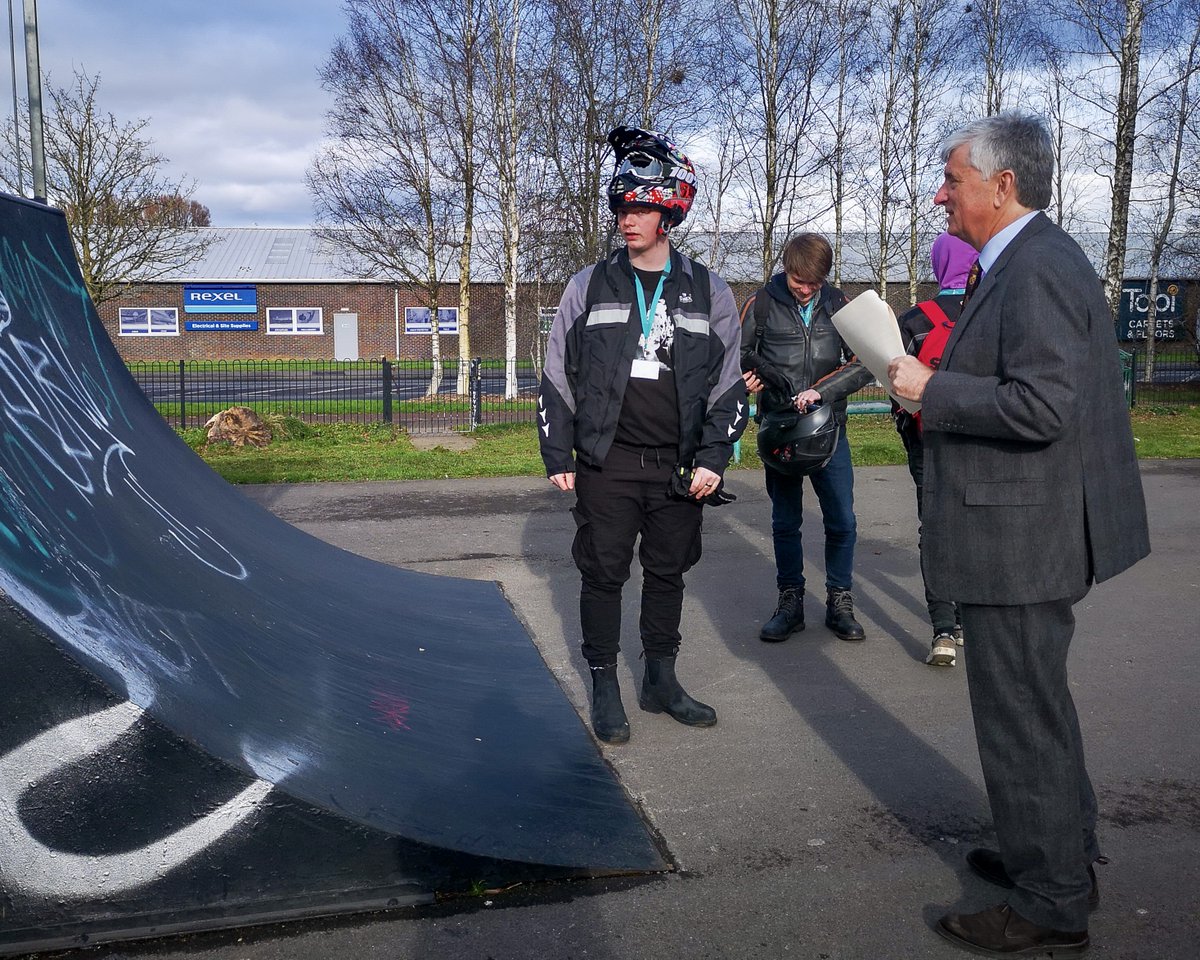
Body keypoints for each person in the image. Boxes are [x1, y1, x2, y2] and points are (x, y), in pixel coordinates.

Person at [888, 114, 1150, 957]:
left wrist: (934, 390)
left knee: (1019, 721)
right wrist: (939, 387)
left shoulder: (1033, 266)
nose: (941, 193)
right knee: (1039, 706)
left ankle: (1050, 903)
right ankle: (1061, 859)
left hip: (1020, 536)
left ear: (1002, 185)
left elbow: (1041, 406)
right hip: (1028, 525)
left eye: (953, 178)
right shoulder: (1033, 258)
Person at [537, 126, 748, 745]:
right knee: (603, 574)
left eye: (642, 207)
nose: (629, 219)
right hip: (607, 462)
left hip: (679, 467)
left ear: (670, 209)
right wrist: (559, 449)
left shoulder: (709, 289)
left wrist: (714, 455)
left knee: (668, 572)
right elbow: (556, 372)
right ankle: (605, 683)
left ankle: (660, 679)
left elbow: (728, 382)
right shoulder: (588, 284)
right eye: (623, 206)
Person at [740, 233, 874, 643]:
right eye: (800, 281)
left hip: (829, 430)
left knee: (842, 521)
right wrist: (746, 380)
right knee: (785, 522)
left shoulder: (839, 304)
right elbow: (737, 354)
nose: (806, 289)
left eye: (814, 283)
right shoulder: (761, 303)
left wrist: (824, 392)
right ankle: (790, 602)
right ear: (786, 268)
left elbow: (866, 362)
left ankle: (840, 601)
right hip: (779, 428)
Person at [893, 231, 975, 667]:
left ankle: (944, 629)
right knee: (976, 530)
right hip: (977, 441)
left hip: (927, 440)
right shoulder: (987, 313)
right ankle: (971, 619)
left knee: (935, 528)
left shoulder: (916, 318)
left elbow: (896, 385)